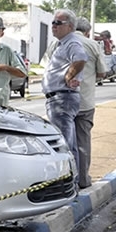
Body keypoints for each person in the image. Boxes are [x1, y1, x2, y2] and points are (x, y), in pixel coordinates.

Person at [41, 9, 87, 175]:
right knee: (68, 143)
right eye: (53, 22)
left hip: (62, 99)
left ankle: (68, 181)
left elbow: (81, 58)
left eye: (58, 23)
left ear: (70, 26)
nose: (53, 26)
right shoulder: (63, 43)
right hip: (60, 98)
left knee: (63, 144)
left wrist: (69, 75)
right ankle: (71, 180)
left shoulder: (72, 43)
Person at [73, 17, 106, 188]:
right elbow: (102, 73)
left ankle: (65, 182)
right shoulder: (93, 45)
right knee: (82, 142)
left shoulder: (59, 43)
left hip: (60, 103)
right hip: (84, 102)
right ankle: (83, 180)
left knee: (62, 141)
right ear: (87, 32)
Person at [0, 16, 27, 106]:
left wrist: (4, 67)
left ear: (2, 33)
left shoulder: (7, 51)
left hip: (1, 101)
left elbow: (22, 73)